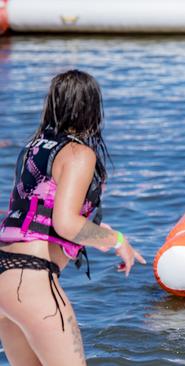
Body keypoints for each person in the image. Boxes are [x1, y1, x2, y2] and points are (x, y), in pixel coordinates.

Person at [0, 70, 146, 365]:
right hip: (31, 280)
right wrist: (116, 240)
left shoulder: (33, 148)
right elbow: (65, 223)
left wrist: (95, 230)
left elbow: (37, 211)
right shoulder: (79, 154)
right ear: (91, 108)